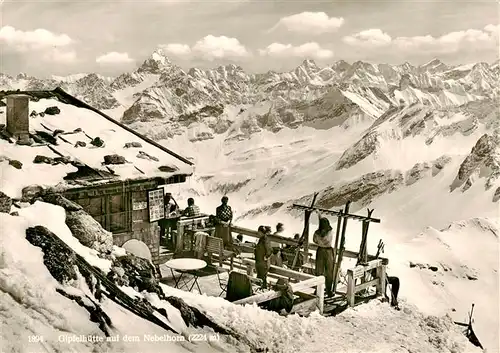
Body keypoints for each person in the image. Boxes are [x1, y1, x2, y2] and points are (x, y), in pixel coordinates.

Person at [313, 213, 335, 297]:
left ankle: (318, 289)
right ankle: (329, 290)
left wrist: (320, 242)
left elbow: (314, 240)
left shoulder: (317, 233)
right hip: (328, 251)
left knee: (319, 270)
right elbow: (328, 240)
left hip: (320, 251)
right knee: (329, 271)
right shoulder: (330, 232)